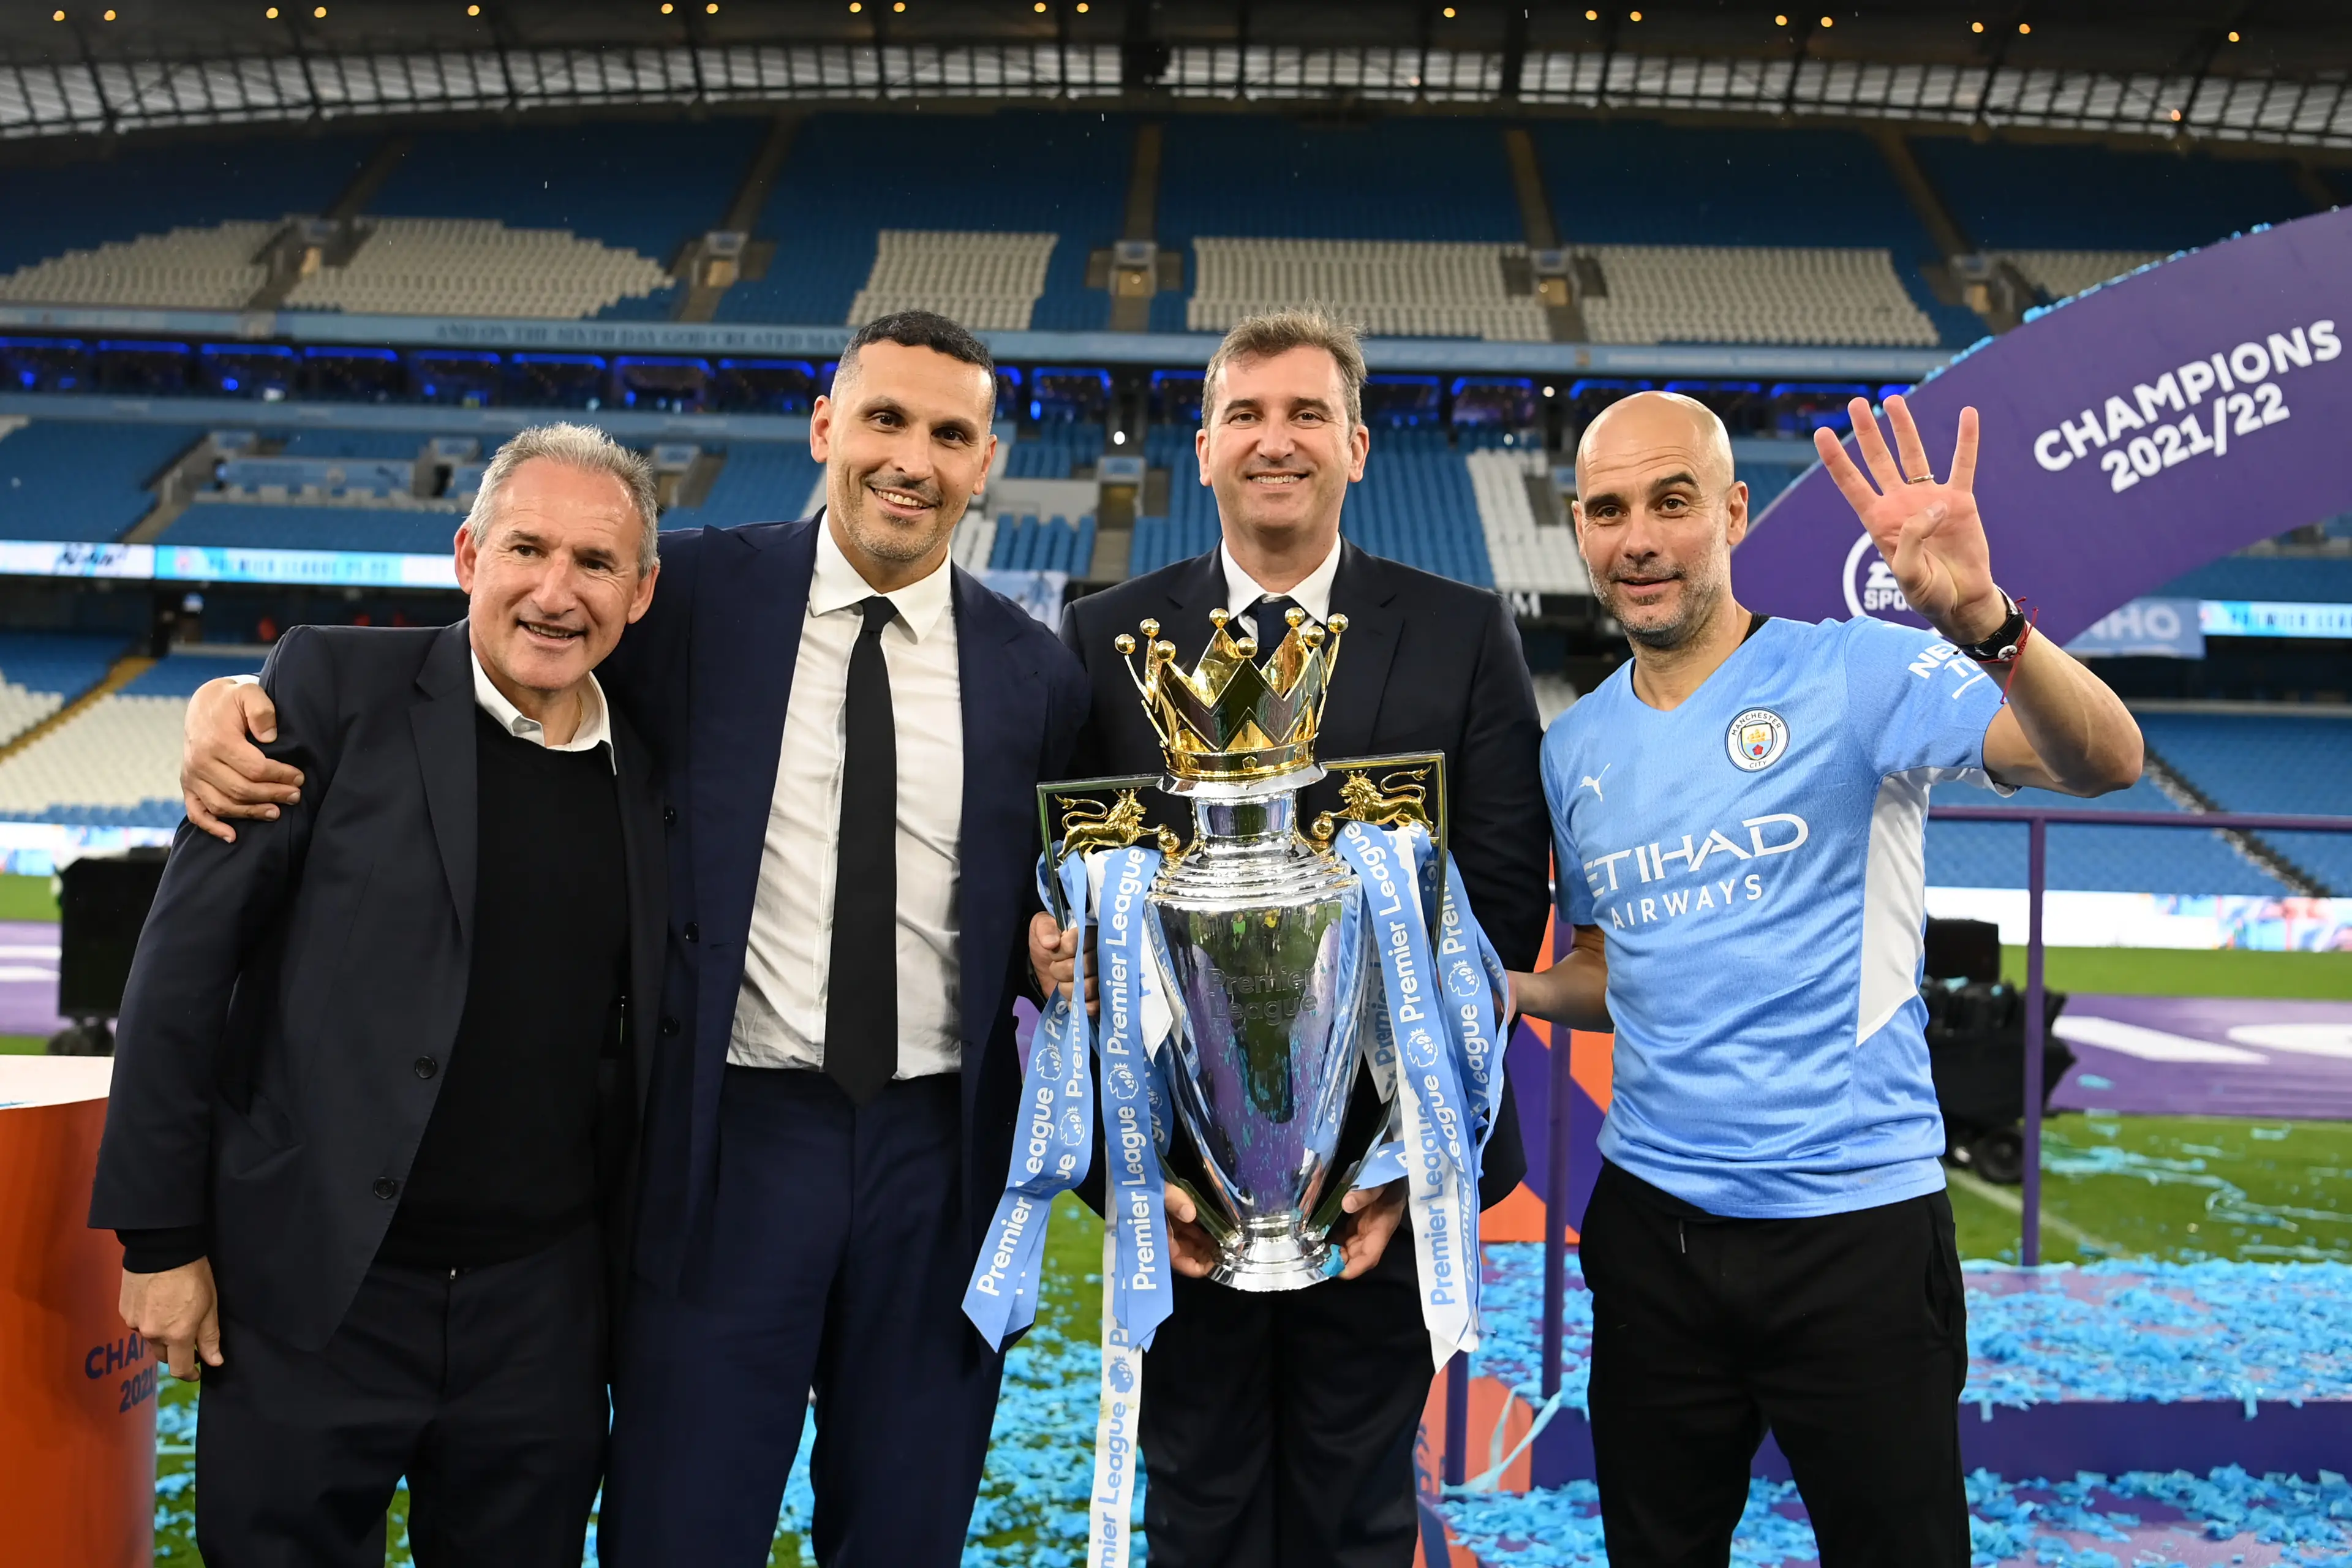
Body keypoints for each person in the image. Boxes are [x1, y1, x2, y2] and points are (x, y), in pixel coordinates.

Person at [177, 312, 1091, 1568]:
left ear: (986, 461)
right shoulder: (697, 594)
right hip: (730, 1138)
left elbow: (1076, 884)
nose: (912, 458)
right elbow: (499, 645)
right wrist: (229, 701)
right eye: (885, 418)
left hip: (941, 1153)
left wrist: (1061, 951)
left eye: (950, 433)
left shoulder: (1039, 671)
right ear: (827, 428)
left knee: (907, 1523)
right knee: (681, 1521)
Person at [1510, 390, 2143, 1567]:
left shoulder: (1859, 672)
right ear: (1582, 532)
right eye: (1608, 510)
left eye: (1672, 501)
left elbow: (2104, 762)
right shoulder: (1574, 748)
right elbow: (1611, 967)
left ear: (1734, 514)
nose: (1638, 537)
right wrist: (1525, 992)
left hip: (1854, 1232)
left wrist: (1992, 625)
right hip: (1654, 1234)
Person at [95, 423, 669, 1567]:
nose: (557, 592)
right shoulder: (329, 689)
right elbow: (181, 969)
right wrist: (160, 1240)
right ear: (468, 557)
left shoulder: (656, 770)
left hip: (541, 1315)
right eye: (527, 549)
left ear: (642, 592)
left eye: (596, 564)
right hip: (314, 1289)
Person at [1037, 308, 1549, 1568]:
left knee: (1356, 1510)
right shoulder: (1105, 636)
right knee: (1197, 1505)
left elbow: (1492, 897)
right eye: (1249, 415)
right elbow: (1056, 889)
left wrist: (1393, 1166)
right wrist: (1058, 967)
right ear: (1203, 447)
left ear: (1359, 446)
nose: (1279, 440)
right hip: (1178, 1184)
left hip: (1384, 1178)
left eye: (1308, 413)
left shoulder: (1462, 624)